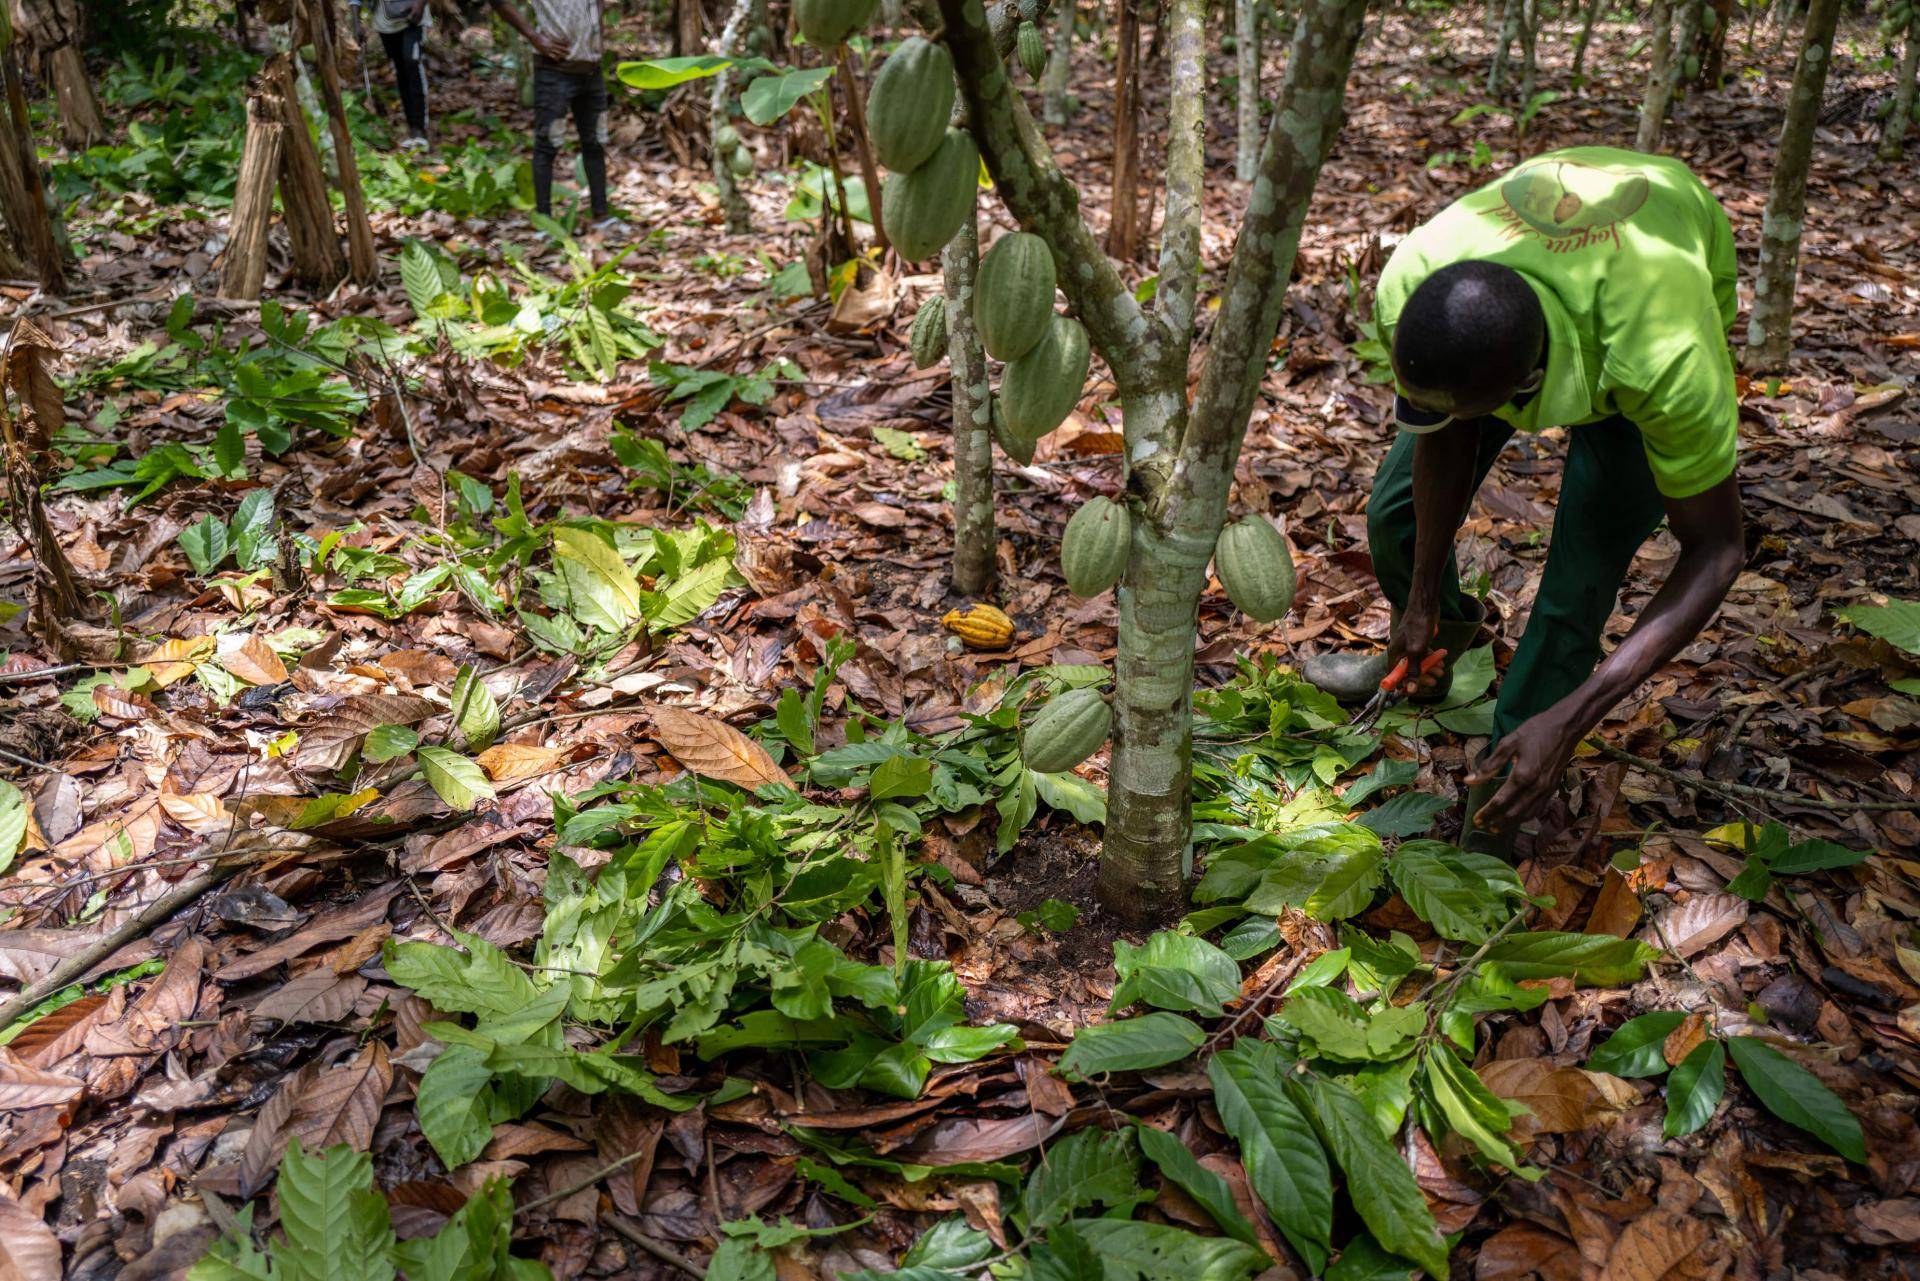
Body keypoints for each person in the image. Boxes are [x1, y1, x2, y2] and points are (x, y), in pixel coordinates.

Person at [1303, 146, 1746, 858]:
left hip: (1643, 293)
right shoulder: (1417, 282)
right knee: (1395, 518)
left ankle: (1511, 772)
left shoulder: (1664, 355)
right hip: (1529, 311)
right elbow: (1443, 434)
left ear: (1525, 393)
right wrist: (1420, 595)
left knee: (1574, 593)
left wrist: (1574, 719)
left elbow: (1719, 551)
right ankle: (1437, 639)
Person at [488, 0, 614, 228]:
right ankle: (545, 222)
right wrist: (535, 37)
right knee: (547, 144)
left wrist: (598, 39)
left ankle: (601, 215)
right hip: (555, 71)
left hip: (591, 71)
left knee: (595, 142)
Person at [351, 0, 432, 149]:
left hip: (413, 18)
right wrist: (356, 23)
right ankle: (412, 128)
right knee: (401, 70)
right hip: (385, 24)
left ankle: (419, 128)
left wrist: (420, 5)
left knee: (412, 63)